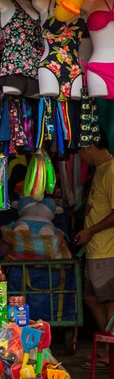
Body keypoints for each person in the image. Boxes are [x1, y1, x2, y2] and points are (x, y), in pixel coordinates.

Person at [76, 131, 114, 343]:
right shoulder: (101, 170)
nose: (80, 155)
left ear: (90, 146)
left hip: (106, 250)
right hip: (95, 249)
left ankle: (111, 352)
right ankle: (108, 343)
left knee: (109, 302)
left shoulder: (111, 170)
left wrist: (90, 231)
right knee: (91, 298)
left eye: (81, 149)